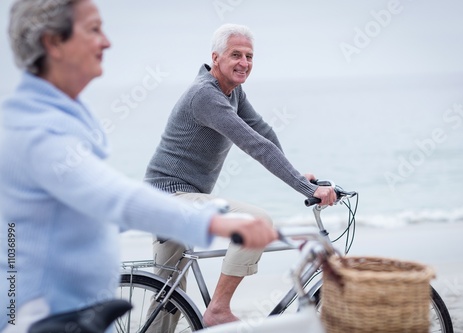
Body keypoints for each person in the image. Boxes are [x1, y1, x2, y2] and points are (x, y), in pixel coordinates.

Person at [0, 2, 277, 333]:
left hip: (73, 312)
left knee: (166, 300)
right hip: (39, 319)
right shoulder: (38, 128)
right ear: (52, 43)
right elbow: (115, 198)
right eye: (93, 29)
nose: (107, 42)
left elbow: (90, 213)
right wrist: (214, 221)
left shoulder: (64, 115)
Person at [144, 23, 336, 328]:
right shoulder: (204, 95)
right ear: (215, 57)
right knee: (256, 222)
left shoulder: (231, 91)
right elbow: (254, 145)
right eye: (236, 54)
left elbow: (263, 132)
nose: (244, 63)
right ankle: (218, 309)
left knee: (167, 304)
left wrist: (299, 176)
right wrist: (303, 188)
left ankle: (206, 312)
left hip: (174, 198)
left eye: (249, 56)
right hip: (170, 197)